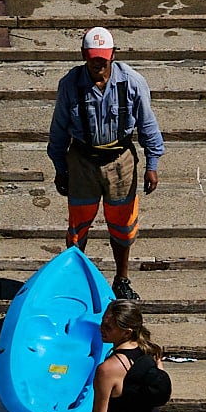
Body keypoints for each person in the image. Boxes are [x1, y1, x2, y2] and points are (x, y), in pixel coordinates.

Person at [46, 26, 164, 299]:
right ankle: (74, 281)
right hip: (82, 161)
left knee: (123, 225)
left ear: (112, 55)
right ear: (83, 56)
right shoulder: (70, 84)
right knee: (78, 226)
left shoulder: (133, 82)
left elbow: (148, 124)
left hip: (120, 161)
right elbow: (59, 128)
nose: (98, 63)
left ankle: (121, 279)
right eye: (93, 57)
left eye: (103, 57)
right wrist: (60, 168)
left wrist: (152, 163)